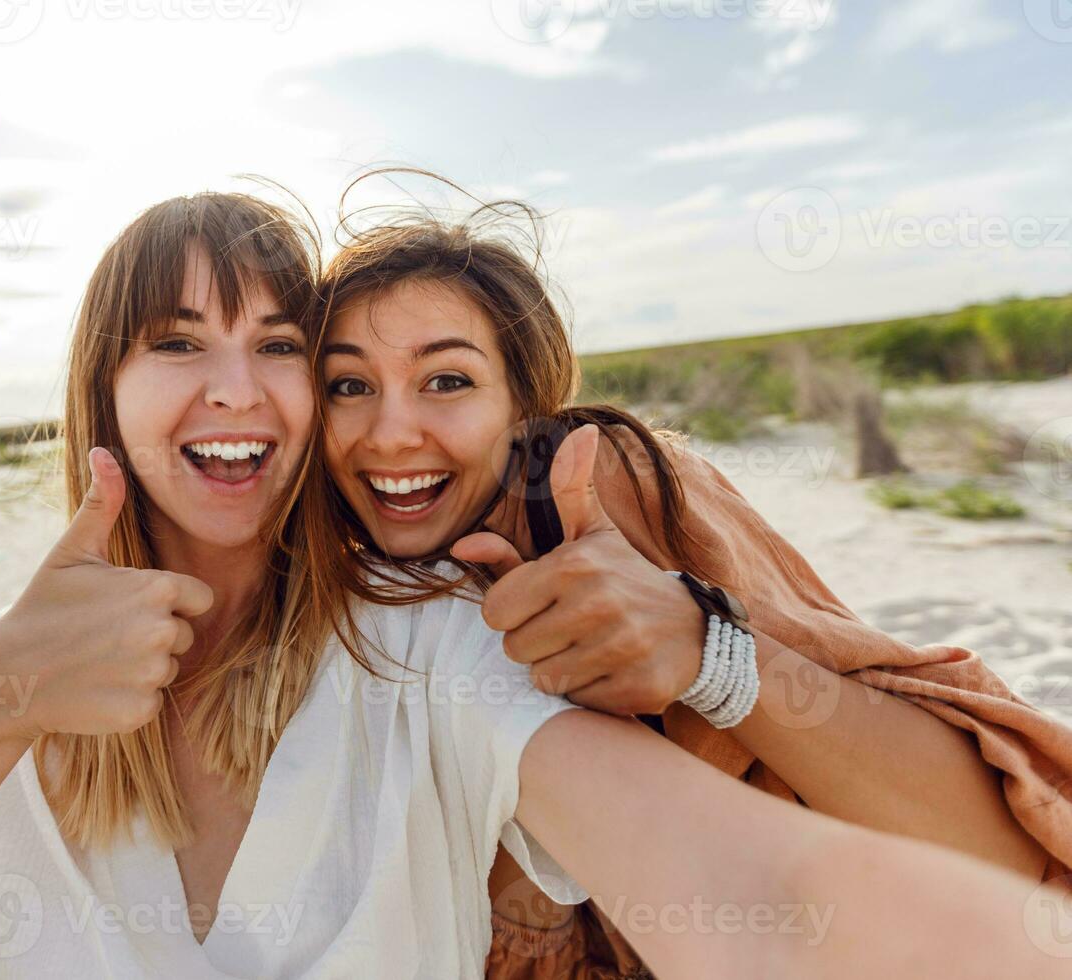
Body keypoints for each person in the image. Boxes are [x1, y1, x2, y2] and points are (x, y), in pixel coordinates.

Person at [0, 189, 1071, 980]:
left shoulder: (434, 654)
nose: (237, 389)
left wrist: (713, 659)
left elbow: (772, 898)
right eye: (176, 342)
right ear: (101, 392)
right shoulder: (2, 707)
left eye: (278, 344)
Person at [306, 182, 1072, 977]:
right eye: (349, 386)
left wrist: (707, 651)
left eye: (447, 380)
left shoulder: (603, 485)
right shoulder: (323, 571)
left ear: (522, 406)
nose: (391, 435)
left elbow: (998, 862)